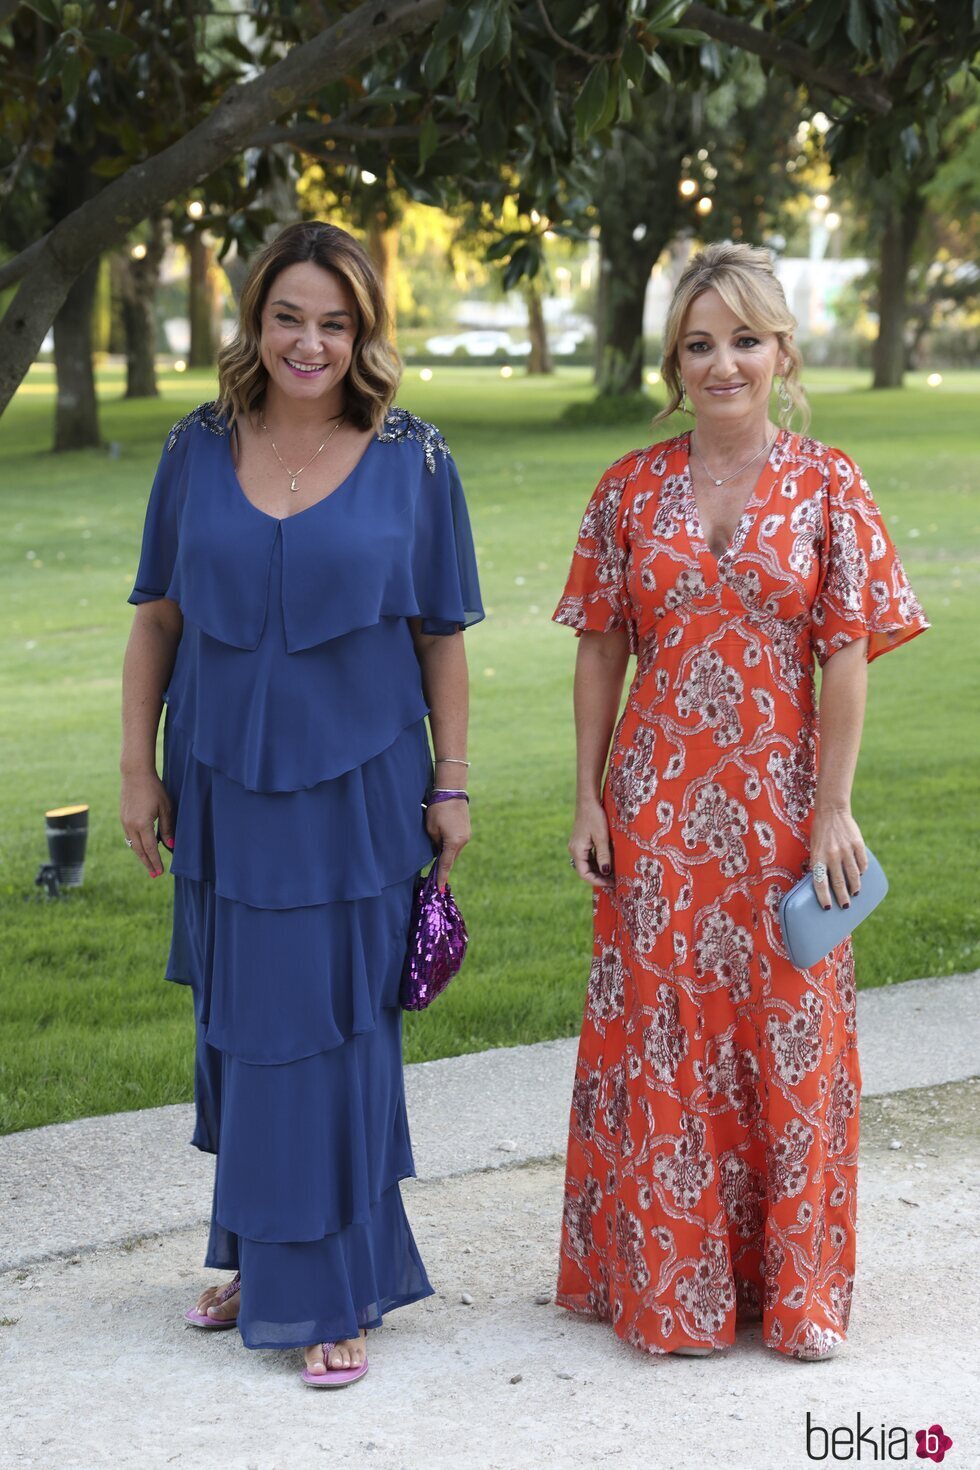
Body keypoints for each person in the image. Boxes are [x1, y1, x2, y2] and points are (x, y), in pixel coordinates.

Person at [120, 220, 482, 1386]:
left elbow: (440, 640)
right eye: (289, 316)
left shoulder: (415, 459)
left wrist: (452, 781)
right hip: (223, 788)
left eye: (335, 321)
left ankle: (331, 1287)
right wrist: (139, 767)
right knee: (246, 1030)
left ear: (364, 332)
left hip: (361, 796)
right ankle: (259, 1253)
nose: (309, 341)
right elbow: (157, 622)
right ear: (255, 321)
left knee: (334, 1037)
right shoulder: (194, 448)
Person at [552, 242, 927, 1362]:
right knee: (663, 1037)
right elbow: (600, 650)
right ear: (673, 359)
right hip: (655, 811)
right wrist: (586, 797)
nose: (723, 363)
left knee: (789, 1030)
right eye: (699, 343)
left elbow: (845, 652)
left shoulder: (827, 483)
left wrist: (833, 807)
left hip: (779, 810)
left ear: (781, 352)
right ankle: (672, 1294)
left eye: (744, 340)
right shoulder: (627, 485)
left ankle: (792, 1294)